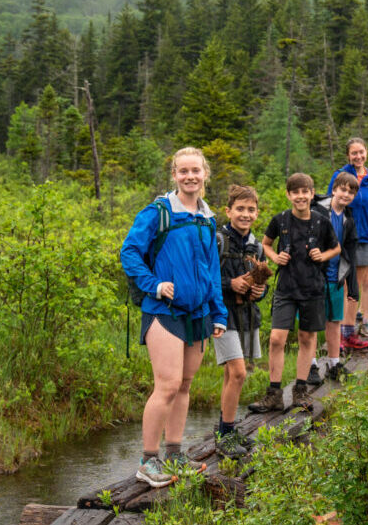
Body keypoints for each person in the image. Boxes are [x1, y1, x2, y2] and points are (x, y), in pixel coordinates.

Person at [121, 147, 227, 488]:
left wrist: (219, 313)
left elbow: (212, 271)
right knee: (166, 385)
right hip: (163, 312)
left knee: (184, 386)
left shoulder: (208, 219)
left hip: (198, 315)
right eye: (184, 171)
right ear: (174, 175)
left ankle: (175, 453)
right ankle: (148, 462)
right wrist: (154, 285)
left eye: (196, 170)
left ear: (205, 174)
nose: (190, 176)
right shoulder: (158, 212)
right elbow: (130, 252)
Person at [249, 173, 340, 413]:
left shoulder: (322, 221)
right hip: (286, 287)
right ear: (289, 195)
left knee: (306, 338)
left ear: (312, 194)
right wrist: (274, 257)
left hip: (313, 287)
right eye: (295, 192)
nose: (300, 196)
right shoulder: (280, 220)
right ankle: (274, 394)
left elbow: (336, 247)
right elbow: (266, 243)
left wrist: (324, 255)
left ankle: (300, 391)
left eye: (305, 192)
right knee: (277, 338)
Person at [212, 185, 268, 459]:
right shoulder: (217, 239)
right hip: (222, 315)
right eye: (240, 209)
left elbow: (263, 283)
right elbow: (205, 278)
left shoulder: (256, 246)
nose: (245, 215)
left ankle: (226, 429)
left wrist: (260, 291)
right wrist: (228, 283)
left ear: (257, 213)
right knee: (238, 373)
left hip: (247, 315)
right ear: (229, 211)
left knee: (230, 375)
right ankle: (225, 433)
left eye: (251, 210)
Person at [313, 171, 368, 372]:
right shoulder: (318, 211)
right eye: (343, 190)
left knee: (335, 320)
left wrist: (353, 287)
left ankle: (334, 363)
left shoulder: (348, 219)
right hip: (315, 277)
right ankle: (311, 366)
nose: (346, 195)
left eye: (351, 192)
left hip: (335, 277)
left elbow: (350, 255)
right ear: (334, 189)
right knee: (312, 324)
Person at [328, 139, 368, 338]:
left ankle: (349, 330)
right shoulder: (340, 176)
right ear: (348, 156)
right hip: (341, 237)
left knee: (356, 285)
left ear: (366, 152)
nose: (358, 157)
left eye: (361, 152)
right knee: (341, 284)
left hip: (364, 239)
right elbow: (329, 203)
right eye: (354, 153)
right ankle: (342, 329)